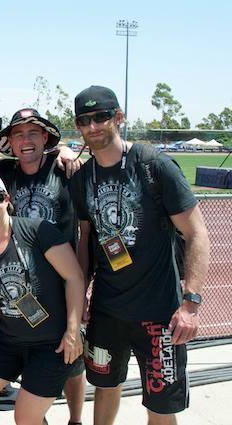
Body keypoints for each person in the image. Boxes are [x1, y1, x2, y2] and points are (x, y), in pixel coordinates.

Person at [70, 85, 210, 425]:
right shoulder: (83, 178)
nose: (93, 126)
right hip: (107, 312)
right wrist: (83, 295)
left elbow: (197, 233)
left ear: (119, 118)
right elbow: (86, 239)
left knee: (161, 405)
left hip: (160, 312)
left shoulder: (153, 166)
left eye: (101, 117)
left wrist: (190, 304)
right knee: (104, 387)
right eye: (84, 120)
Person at [0, 172, 85, 425]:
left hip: (51, 343)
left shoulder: (38, 231)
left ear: (6, 199)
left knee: (26, 418)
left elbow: (74, 277)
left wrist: (73, 331)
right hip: (9, 340)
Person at [0, 108, 88, 425]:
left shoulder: (64, 172)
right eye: (18, 134)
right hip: (25, 284)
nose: (26, 140)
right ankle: (38, 416)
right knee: (31, 355)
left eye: (33, 133)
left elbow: (86, 229)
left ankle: (75, 419)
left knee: (72, 360)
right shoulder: (5, 174)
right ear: (11, 142)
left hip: (63, 283)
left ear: (45, 138)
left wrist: (66, 150)